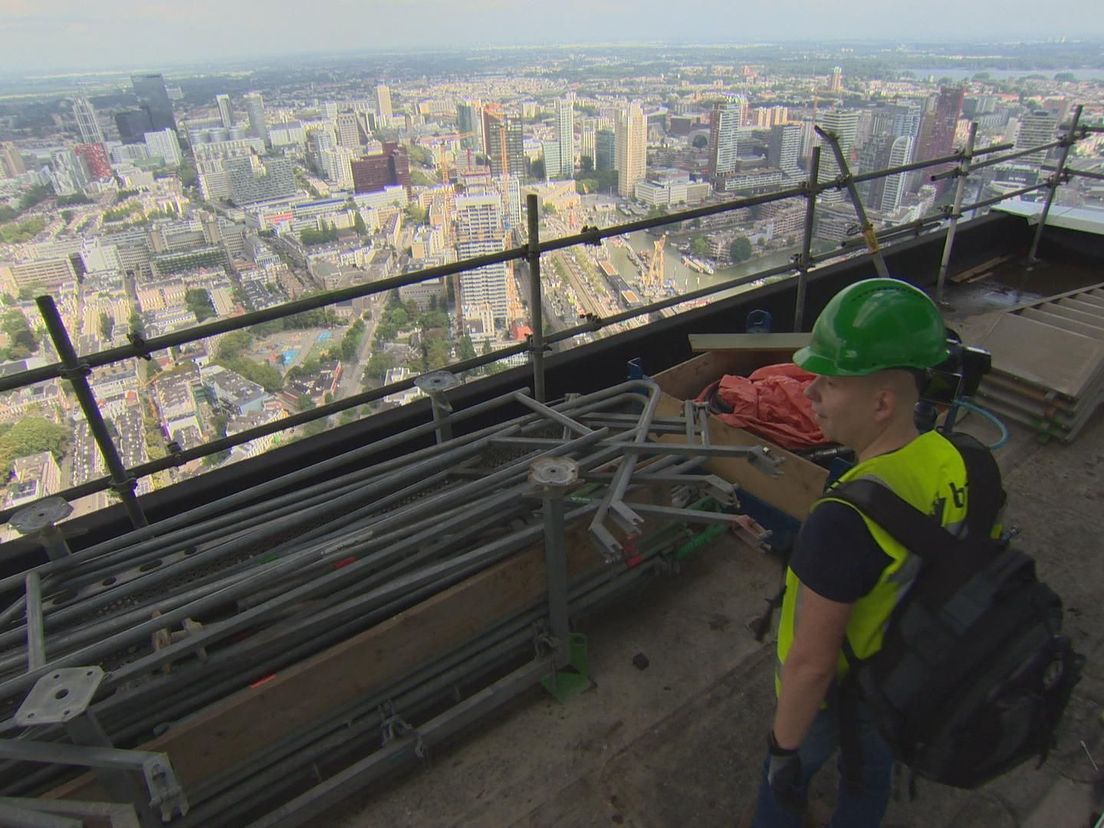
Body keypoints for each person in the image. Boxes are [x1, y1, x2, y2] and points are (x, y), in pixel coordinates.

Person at [752, 278, 970, 828]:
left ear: (881, 402)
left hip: (835, 695)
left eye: (829, 382)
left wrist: (782, 750)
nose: (810, 393)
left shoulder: (844, 520)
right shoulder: (952, 459)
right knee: (869, 777)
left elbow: (811, 663)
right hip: (900, 672)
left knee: (781, 793)